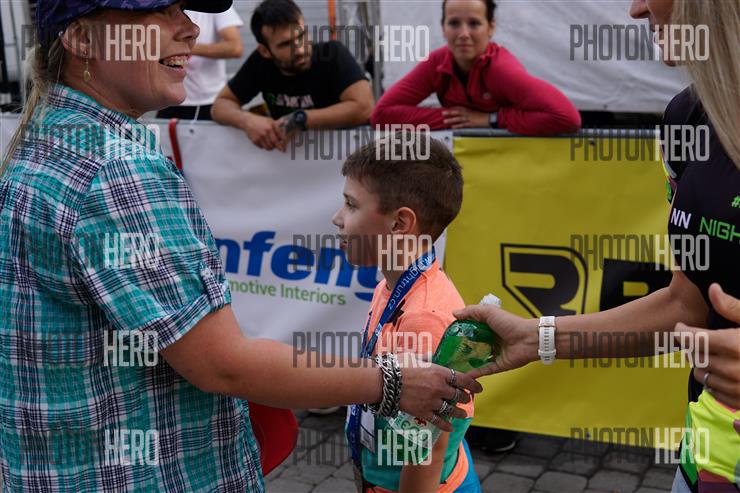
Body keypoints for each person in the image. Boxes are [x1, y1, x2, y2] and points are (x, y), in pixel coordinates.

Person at [0, 1, 485, 491]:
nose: (190, 29)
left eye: (184, 10)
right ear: (82, 38)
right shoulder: (118, 168)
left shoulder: (50, 140)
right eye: (161, 12)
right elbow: (224, 365)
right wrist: (392, 382)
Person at [457, 1, 740, 491]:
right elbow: (685, 304)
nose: (636, 9)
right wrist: (536, 338)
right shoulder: (686, 118)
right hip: (708, 461)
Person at [333, 133, 480, 492]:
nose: (337, 218)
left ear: (400, 223)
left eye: (351, 205)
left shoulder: (423, 318)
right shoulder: (391, 286)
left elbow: (425, 451)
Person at [370, 0, 581, 135]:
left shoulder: (501, 69)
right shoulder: (437, 62)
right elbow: (381, 115)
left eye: (474, 23)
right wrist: (454, 118)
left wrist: (491, 119)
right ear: (443, 28)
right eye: (454, 23)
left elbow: (567, 117)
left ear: (491, 27)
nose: (464, 34)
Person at [211, 0, 374, 151]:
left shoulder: (332, 54)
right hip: (286, 162)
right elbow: (220, 105)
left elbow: (364, 108)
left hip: (339, 156)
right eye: (285, 44)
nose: (300, 49)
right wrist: (247, 121)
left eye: (301, 36)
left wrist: (302, 119)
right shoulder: (260, 63)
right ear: (265, 51)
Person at [156, 6, 244, 121]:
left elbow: (235, 48)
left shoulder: (218, 8)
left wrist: (180, 47)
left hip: (208, 102)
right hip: (168, 101)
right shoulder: (162, 5)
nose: (193, 31)